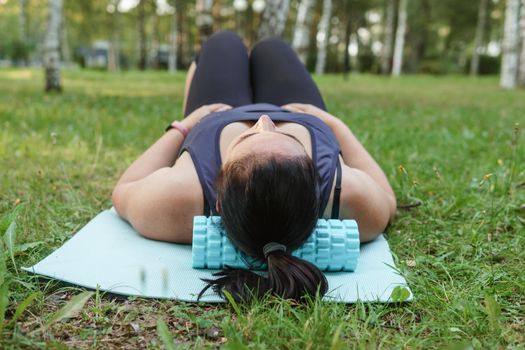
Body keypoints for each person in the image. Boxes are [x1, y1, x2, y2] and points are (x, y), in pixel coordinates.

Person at [112, 31, 396, 302]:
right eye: (285, 136)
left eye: (246, 139)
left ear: (218, 200)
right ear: (315, 180)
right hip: (297, 110)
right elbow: (388, 199)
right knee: (272, 48)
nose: (264, 121)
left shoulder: (180, 195)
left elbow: (125, 188)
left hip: (216, 112)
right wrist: (334, 125)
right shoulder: (347, 194)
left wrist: (184, 125)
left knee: (224, 43)